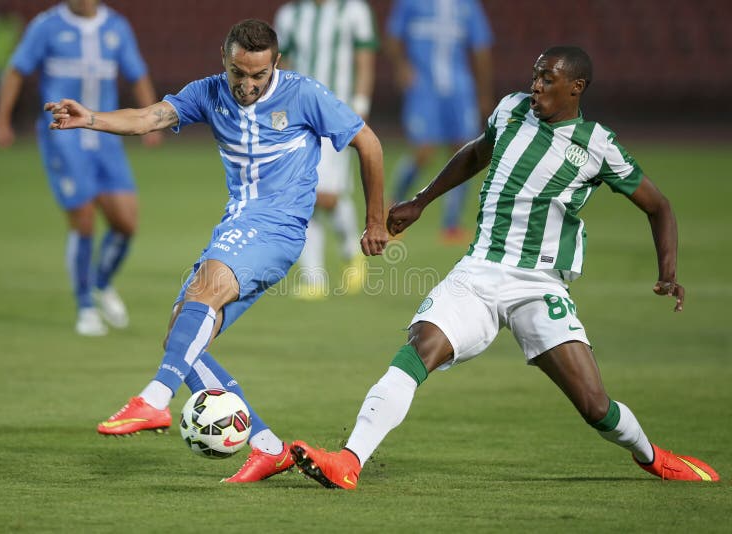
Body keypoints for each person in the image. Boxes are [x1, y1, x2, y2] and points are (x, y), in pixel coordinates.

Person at [290, 46, 720, 489]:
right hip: (479, 270)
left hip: (539, 284)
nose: (536, 85)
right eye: (535, 75)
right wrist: (422, 200)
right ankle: (349, 461)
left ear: (576, 87)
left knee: (594, 406)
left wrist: (668, 272)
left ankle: (652, 457)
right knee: (420, 348)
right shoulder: (512, 109)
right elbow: (477, 153)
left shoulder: (597, 145)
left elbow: (659, 206)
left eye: (548, 78)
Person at [45, 19, 389, 482]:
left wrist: (374, 221)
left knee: (202, 294)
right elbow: (150, 117)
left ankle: (154, 399)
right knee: (181, 337)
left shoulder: (305, 94)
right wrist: (90, 118)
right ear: (223, 61)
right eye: (237, 74)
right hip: (236, 225)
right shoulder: (208, 93)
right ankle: (267, 446)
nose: (246, 85)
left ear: (276, 66)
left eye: (257, 76)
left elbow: (368, 143)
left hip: (278, 227)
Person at [0, 0, 163, 336]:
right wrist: (1, 121)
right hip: (63, 137)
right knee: (82, 219)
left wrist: (151, 121)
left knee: (126, 222)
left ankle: (101, 282)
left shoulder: (116, 27)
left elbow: (137, 73)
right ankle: (85, 307)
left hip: (106, 137)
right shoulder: (46, 26)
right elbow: (16, 71)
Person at [274, 0, 378, 298]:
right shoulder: (290, 14)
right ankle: (313, 279)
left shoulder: (353, 10)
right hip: (300, 114)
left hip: (338, 111)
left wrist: (360, 105)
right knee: (301, 194)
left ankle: (352, 252)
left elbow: (364, 59)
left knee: (327, 195)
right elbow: (285, 65)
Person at [386, 0, 493, 244]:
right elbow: (392, 37)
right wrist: (402, 66)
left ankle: (451, 224)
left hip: (460, 89)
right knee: (424, 151)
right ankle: (393, 208)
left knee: (464, 150)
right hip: (424, 87)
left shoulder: (467, 5)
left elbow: (481, 47)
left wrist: (484, 93)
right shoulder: (410, 3)